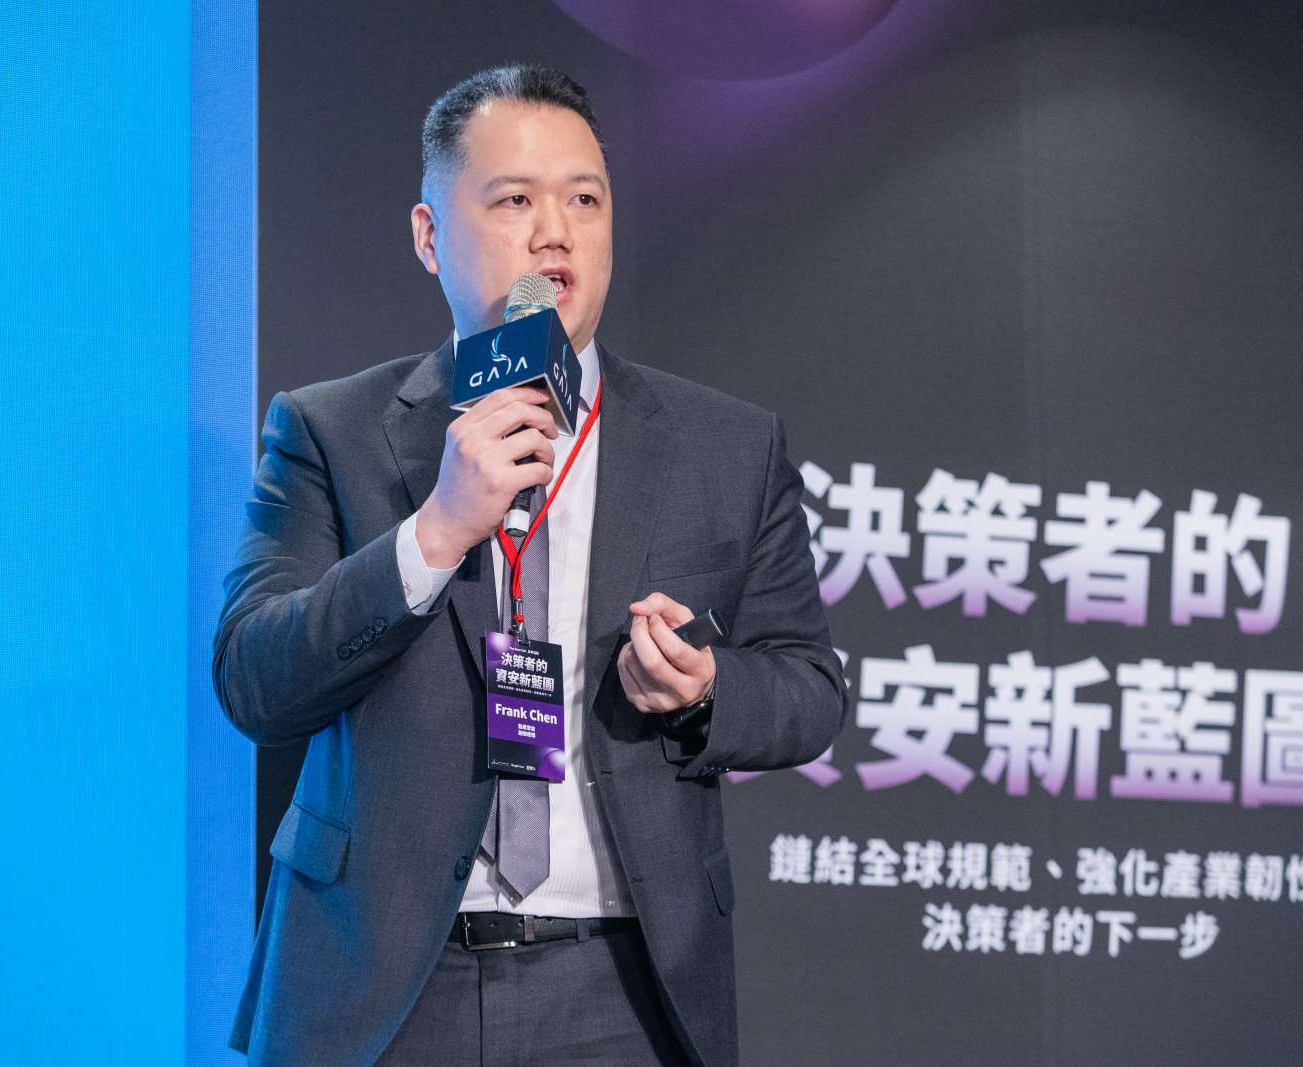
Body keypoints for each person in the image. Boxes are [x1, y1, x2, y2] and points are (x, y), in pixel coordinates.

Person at [215, 63, 846, 1066]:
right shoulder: (330, 431)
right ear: (429, 235)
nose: (555, 232)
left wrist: (704, 689)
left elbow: (809, 688)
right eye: (514, 200)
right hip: (384, 984)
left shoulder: (726, 446)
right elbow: (255, 678)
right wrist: (434, 533)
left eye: (584, 201)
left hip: (621, 988)